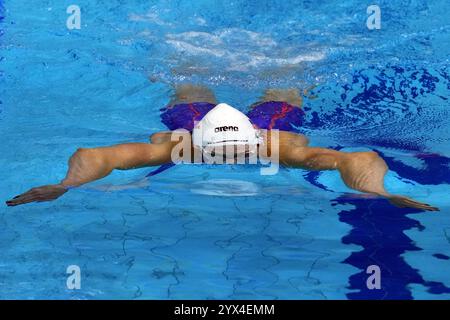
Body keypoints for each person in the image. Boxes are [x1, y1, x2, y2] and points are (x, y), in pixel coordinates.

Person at [6, 84, 438, 211]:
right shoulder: (183, 144)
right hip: (194, 117)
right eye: (223, 154)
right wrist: (66, 185)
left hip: (271, 121)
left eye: (236, 152)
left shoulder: (275, 144)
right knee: (189, 80)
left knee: (285, 85)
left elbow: (357, 159)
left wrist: (378, 193)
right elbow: (94, 156)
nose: (232, 160)